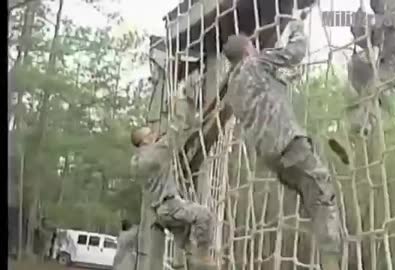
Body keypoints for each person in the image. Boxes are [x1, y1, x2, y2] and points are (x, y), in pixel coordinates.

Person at [222, 13, 343, 253]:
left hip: (271, 157)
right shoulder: (255, 63)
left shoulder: (233, 89)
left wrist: (284, 80)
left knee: (311, 194)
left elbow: (265, 93)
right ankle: (331, 250)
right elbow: (295, 53)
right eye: (253, 47)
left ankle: (325, 241)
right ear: (247, 50)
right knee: (321, 186)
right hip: (287, 141)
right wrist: (297, 27)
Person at [130, 126, 216, 267]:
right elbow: (176, 132)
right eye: (151, 133)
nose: (155, 133)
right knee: (204, 215)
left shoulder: (136, 161)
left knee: (188, 246)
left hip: (161, 214)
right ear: (145, 140)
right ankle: (203, 254)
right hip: (170, 207)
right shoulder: (156, 153)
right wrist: (182, 109)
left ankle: (196, 261)